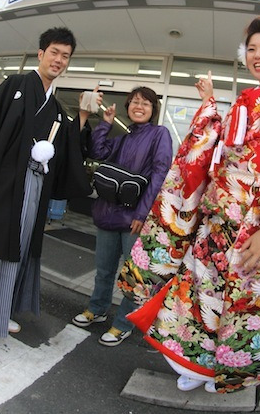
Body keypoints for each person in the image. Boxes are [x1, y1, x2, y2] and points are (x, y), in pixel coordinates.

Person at [118, 12, 260, 392]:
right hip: (220, 221)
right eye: (251, 49)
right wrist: (207, 105)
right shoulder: (248, 98)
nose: (258, 55)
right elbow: (222, 148)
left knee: (244, 304)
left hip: (256, 224)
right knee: (203, 297)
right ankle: (198, 367)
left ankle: (222, 370)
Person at [0, 26, 99, 361]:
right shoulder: (15, 87)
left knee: (15, 250)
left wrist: (83, 118)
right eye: (54, 53)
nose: (59, 60)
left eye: (65, 56)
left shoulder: (57, 108)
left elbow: (65, 153)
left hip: (32, 189)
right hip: (0, 186)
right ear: (41, 53)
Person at [72, 86, 173, 346]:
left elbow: (160, 175)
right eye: (134, 102)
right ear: (128, 107)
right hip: (108, 213)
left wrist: (143, 212)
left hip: (135, 219)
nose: (139, 106)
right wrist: (105, 123)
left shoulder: (159, 134)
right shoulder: (123, 137)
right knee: (104, 270)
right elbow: (98, 151)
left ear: (153, 110)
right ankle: (97, 309)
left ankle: (123, 324)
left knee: (132, 276)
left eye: (145, 103)